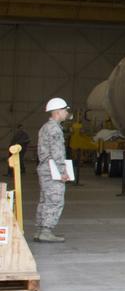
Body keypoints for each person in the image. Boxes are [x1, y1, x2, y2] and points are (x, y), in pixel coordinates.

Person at [34, 98, 72, 244]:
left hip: (44, 168)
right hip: (52, 169)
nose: (67, 113)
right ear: (58, 112)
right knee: (55, 200)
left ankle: (40, 230)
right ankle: (46, 231)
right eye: (65, 110)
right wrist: (63, 171)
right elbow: (57, 152)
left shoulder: (45, 127)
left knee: (44, 200)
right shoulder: (55, 129)